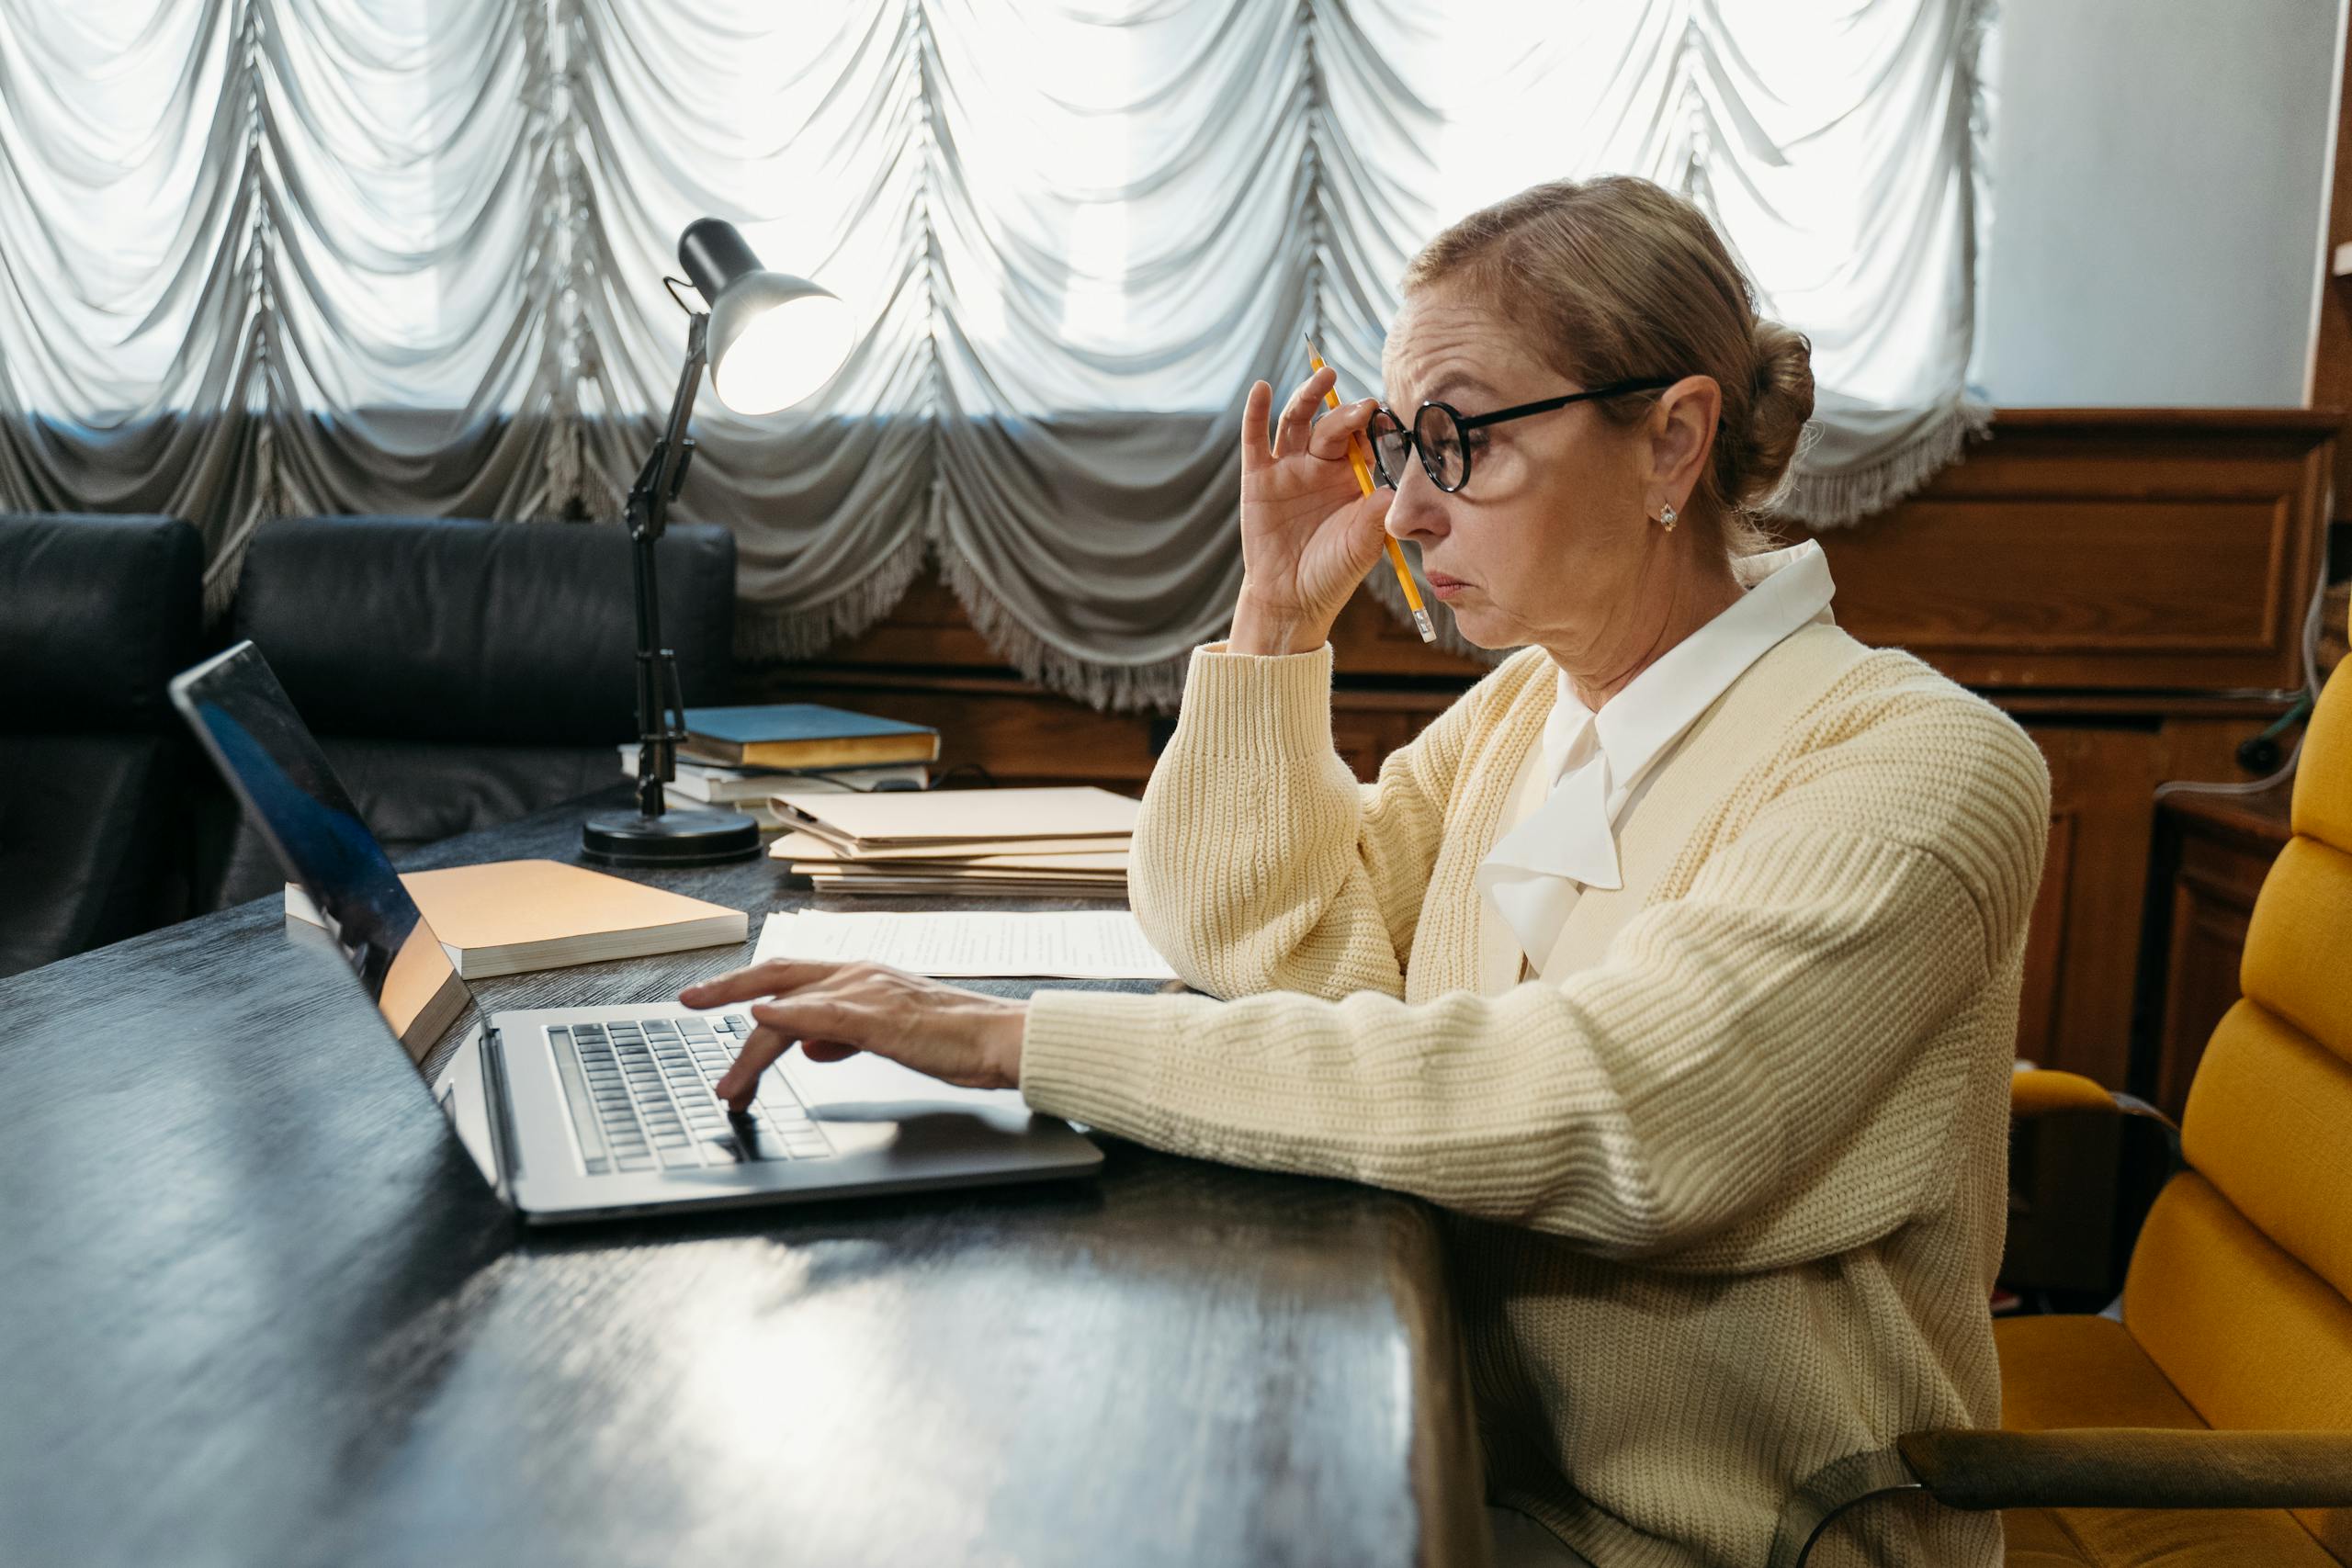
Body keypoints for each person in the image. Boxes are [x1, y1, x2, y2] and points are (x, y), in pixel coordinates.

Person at [684, 175, 2049, 1568]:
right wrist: (1277, 610)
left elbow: (1621, 1115)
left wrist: (1009, 1041)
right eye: (1400, 445)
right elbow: (1264, 943)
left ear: (1671, 442)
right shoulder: (1532, 708)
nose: (1402, 513)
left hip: (1714, 1545)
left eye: (1456, 441)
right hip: (1454, 1455)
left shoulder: (1922, 768)